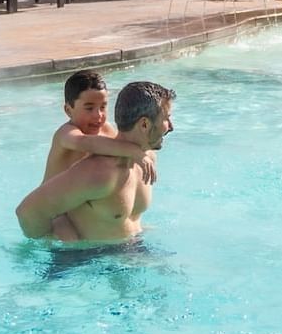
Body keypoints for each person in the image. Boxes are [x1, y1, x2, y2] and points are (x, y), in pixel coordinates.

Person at [16, 80, 176, 244]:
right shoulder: (99, 173)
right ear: (144, 124)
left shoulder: (147, 159)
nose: (171, 126)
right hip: (88, 260)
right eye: (166, 118)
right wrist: (57, 244)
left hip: (132, 248)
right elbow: (27, 212)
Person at [44, 70, 153, 180]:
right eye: (89, 108)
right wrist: (134, 152)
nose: (98, 115)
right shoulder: (65, 134)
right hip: (49, 197)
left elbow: (122, 145)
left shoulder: (106, 129)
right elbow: (85, 142)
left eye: (103, 107)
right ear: (68, 110)